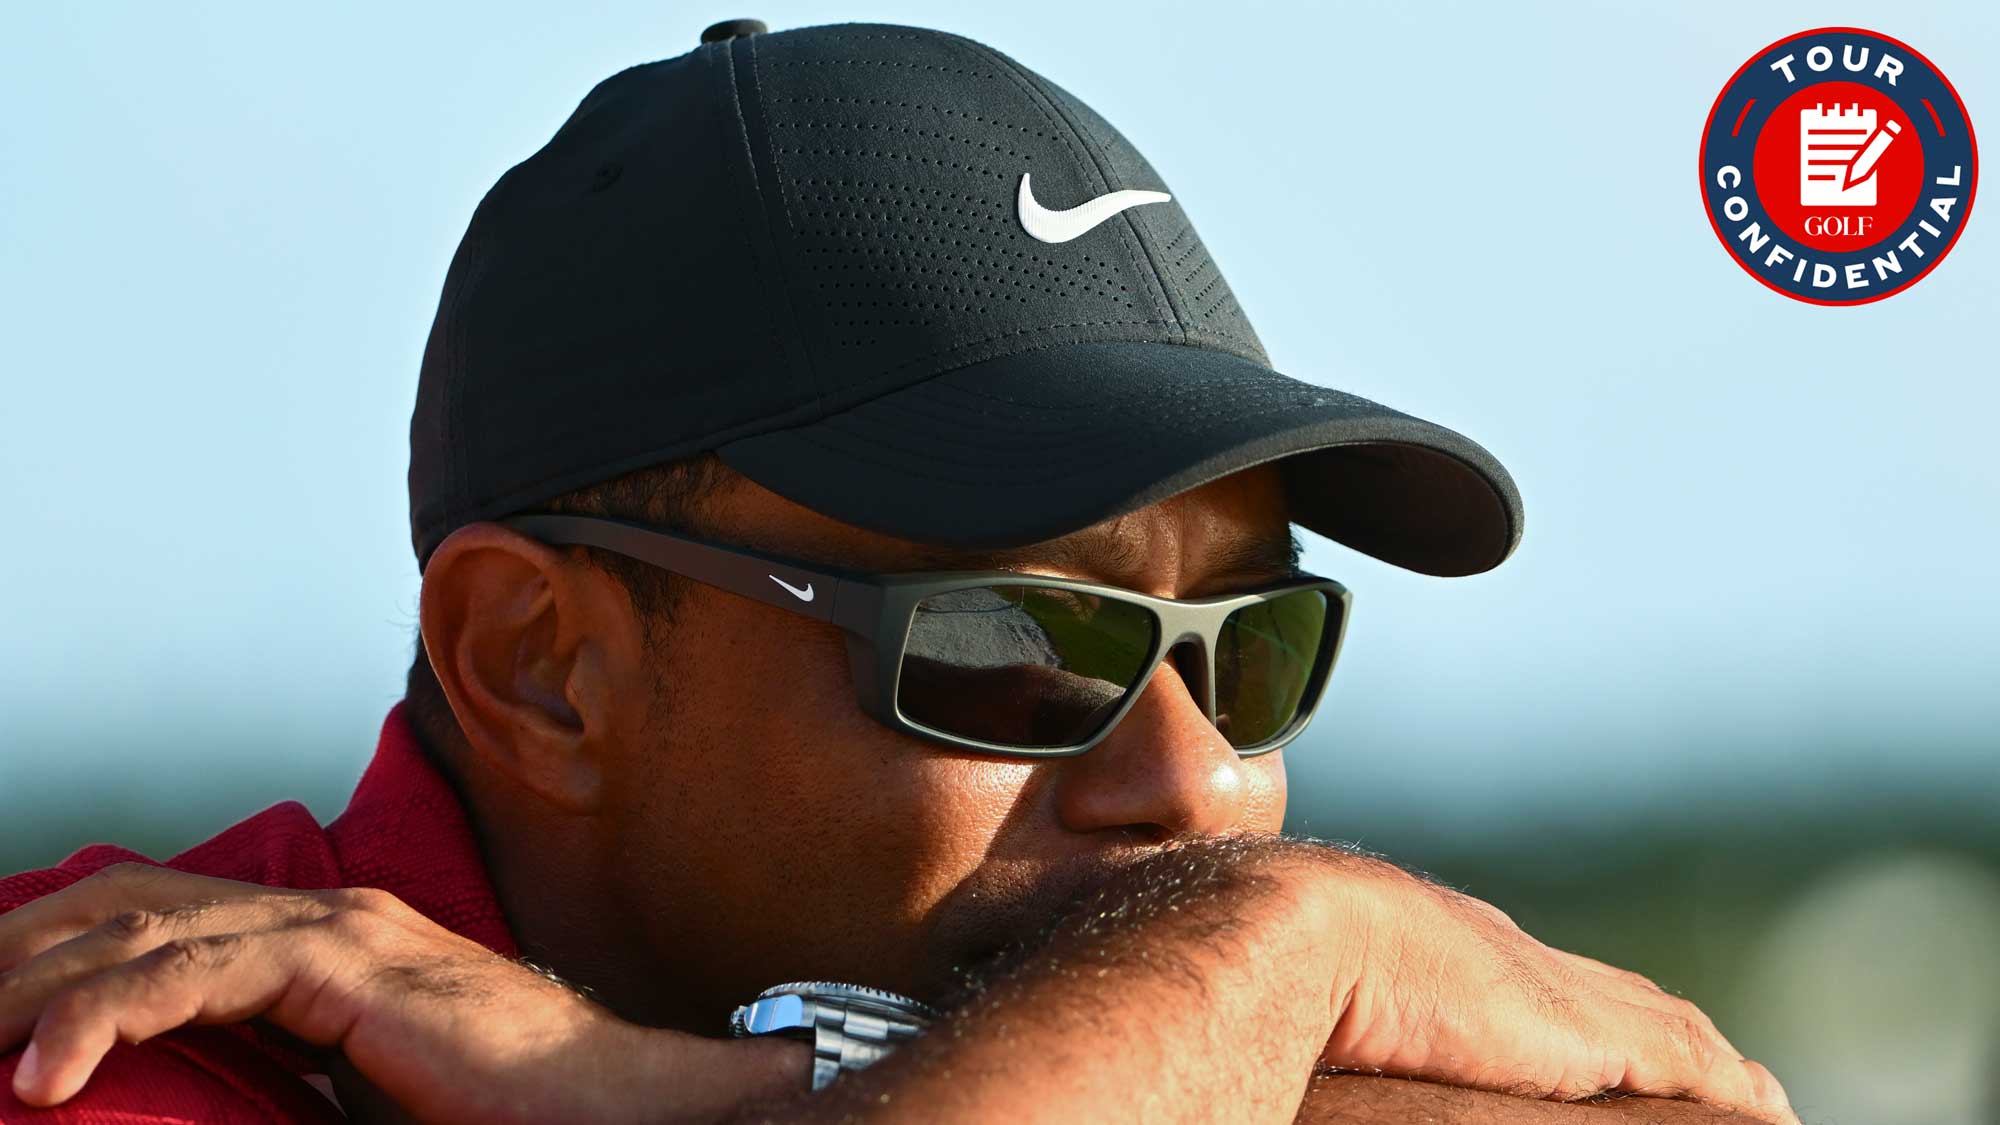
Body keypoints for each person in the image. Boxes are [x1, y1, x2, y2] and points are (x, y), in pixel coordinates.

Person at [0, 17, 1797, 1124]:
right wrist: (1294, 937)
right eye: (1014, 641)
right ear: (541, 663)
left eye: (1253, 653)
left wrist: (673, 1087)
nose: (1191, 789)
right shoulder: (100, 1059)